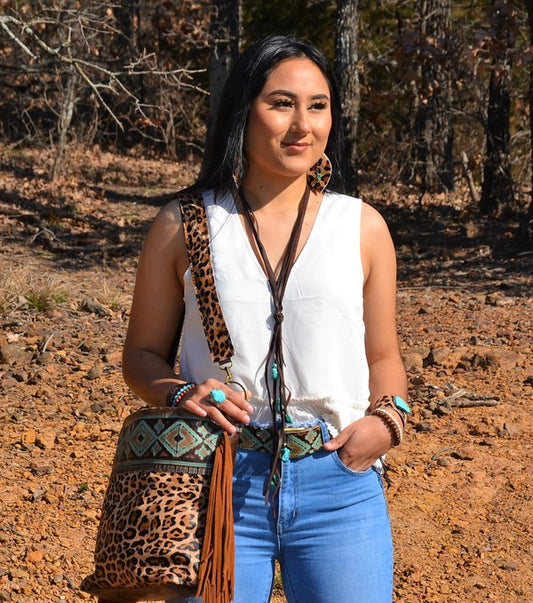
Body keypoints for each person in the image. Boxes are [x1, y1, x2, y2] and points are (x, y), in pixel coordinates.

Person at [122, 34, 408, 603]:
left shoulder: (363, 227)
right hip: (218, 481)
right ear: (243, 111)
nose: (302, 124)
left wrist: (388, 421)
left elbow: (383, 355)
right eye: (281, 103)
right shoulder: (184, 224)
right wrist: (180, 393)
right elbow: (140, 356)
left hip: (339, 484)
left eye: (318, 106)